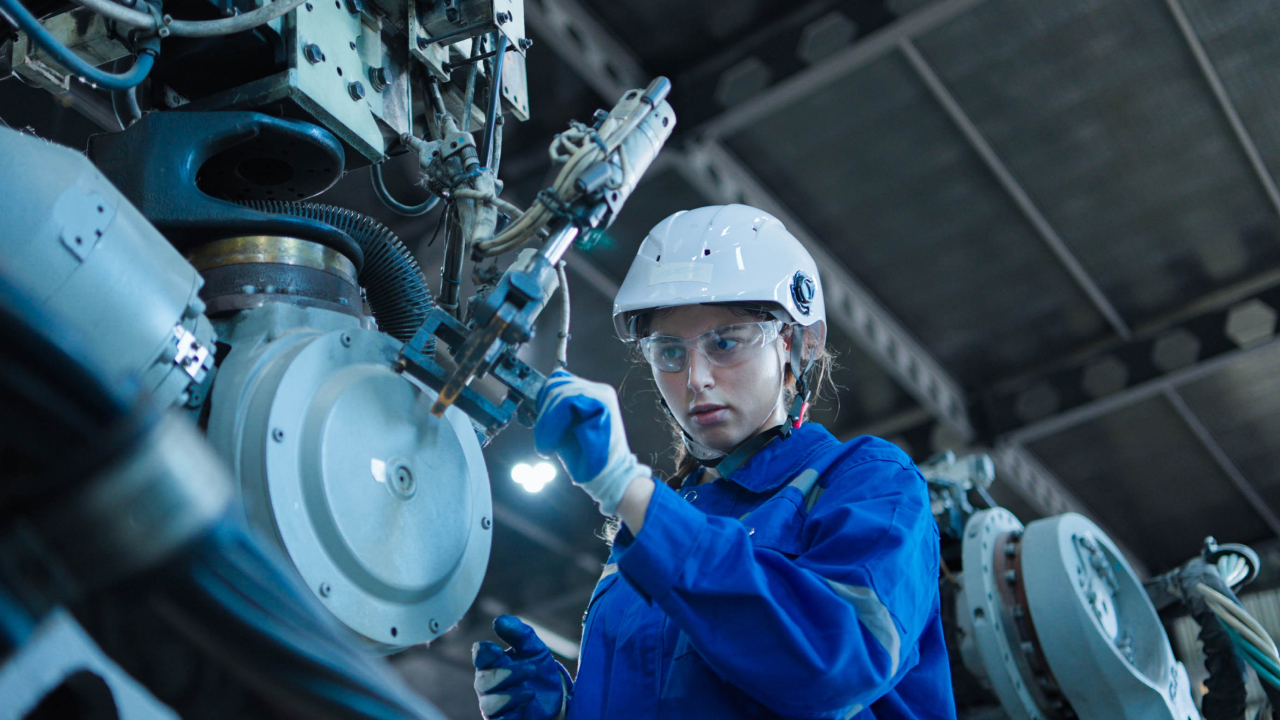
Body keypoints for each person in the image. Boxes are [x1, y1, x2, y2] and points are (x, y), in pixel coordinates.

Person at [471, 205, 956, 719]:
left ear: (795, 344)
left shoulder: (869, 481)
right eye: (670, 353)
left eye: (725, 342)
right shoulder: (655, 531)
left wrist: (628, 489)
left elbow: (836, 664)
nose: (696, 377)